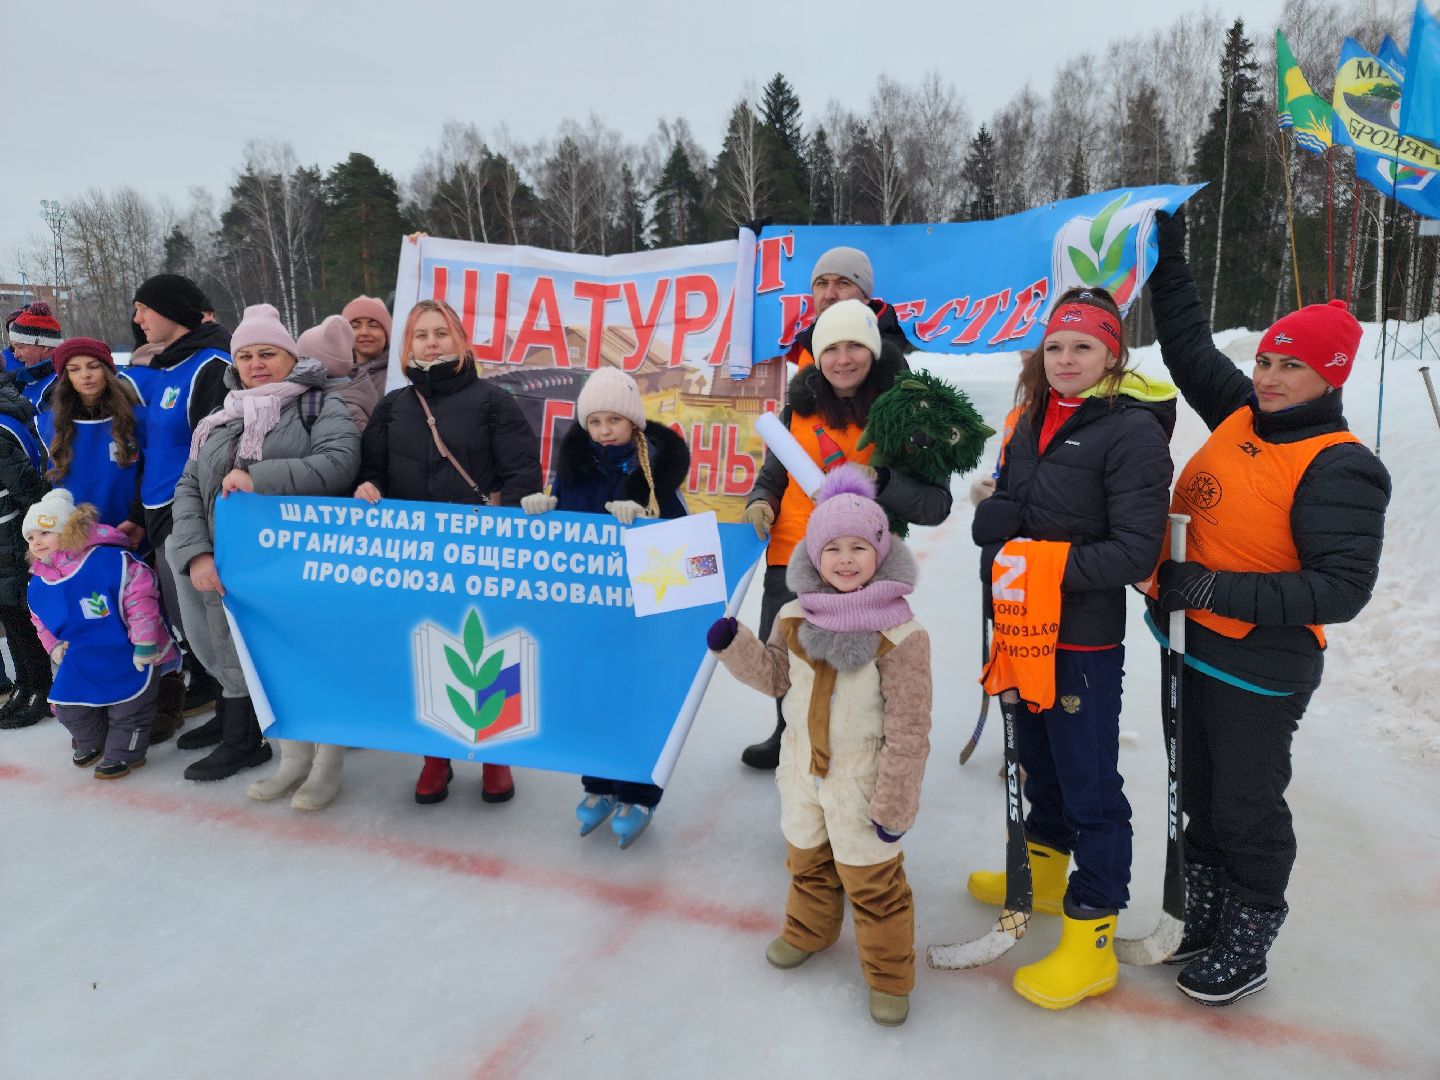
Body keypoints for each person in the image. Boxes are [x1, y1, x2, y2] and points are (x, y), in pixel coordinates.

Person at [1144, 210, 1391, 1006]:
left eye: (1292, 366)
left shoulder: (1341, 466)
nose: (1271, 376)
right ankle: (1207, 913)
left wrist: (1214, 589)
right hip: (1189, 642)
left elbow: (1341, 589)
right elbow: (1186, 348)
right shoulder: (1247, 412)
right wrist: (1169, 255)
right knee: (1197, 791)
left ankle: (1250, 931)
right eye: (1269, 359)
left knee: (1244, 802)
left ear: (1332, 378)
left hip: (1260, 666)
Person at [964, 286, 1175, 1010]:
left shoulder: (1132, 432)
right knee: (1038, 760)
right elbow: (1015, 510)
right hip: (1022, 627)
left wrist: (1042, 563)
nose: (1065, 358)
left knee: (1089, 780)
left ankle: (1091, 940)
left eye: (1082, 346)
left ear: (1112, 355)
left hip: (1081, 634)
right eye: (1055, 346)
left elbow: (1133, 551)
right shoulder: (1031, 419)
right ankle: (1046, 877)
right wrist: (994, 516)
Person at [708, 465, 932, 1027]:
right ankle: (809, 930)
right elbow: (775, 679)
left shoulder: (901, 634)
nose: (846, 559)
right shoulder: (792, 615)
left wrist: (896, 801)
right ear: (814, 555)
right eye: (832, 548)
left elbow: (910, 728)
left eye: (859, 546)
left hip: (863, 782)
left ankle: (889, 976)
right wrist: (735, 646)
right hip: (801, 772)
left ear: (880, 552)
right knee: (807, 863)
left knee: (873, 882)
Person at [739, 299, 952, 770]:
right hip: (792, 554)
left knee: (854, 673)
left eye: (855, 344)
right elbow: (772, 474)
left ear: (874, 350)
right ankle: (788, 734)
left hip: (858, 562)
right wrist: (760, 501)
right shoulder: (797, 408)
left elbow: (937, 504)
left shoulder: (902, 413)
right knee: (786, 656)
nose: (843, 358)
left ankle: (857, 758)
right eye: (831, 348)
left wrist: (883, 482)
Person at [356, 298, 542, 805]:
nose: (431, 342)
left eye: (441, 333)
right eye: (421, 335)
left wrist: (508, 526)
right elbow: (371, 468)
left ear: (460, 341)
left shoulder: (492, 401)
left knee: (488, 647)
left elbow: (523, 472)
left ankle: (494, 757)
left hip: (481, 553)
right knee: (424, 648)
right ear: (408, 346)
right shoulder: (393, 406)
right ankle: (433, 756)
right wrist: (368, 485)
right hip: (413, 556)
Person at [169, 303, 361, 782]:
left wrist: (259, 476)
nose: (256, 364)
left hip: (297, 562)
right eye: (247, 355)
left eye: (268, 353)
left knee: (303, 655)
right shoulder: (221, 416)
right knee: (233, 649)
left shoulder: (318, 403)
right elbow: (189, 485)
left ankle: (326, 762)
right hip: (231, 559)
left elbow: (339, 463)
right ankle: (248, 743)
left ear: (290, 357)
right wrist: (196, 552)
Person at [519, 366, 690, 847]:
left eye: (614, 419)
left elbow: (684, 537)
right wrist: (545, 510)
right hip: (591, 612)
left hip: (640, 617)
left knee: (634, 701)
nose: (604, 430)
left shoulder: (655, 468)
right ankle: (597, 783)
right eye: (595, 421)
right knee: (591, 696)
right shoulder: (573, 467)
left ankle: (639, 792)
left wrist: (647, 518)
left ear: (633, 421)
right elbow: (562, 532)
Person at [130, 273, 234, 734]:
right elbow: (153, 450)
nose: (137, 319)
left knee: (210, 618)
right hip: (157, 510)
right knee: (185, 617)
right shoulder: (168, 367)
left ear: (171, 309)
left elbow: (216, 451)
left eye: (143, 309)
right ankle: (214, 689)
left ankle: (235, 710)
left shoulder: (211, 364)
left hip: (188, 512)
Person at [24, 490, 180, 779]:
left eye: (45, 532)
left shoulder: (112, 561)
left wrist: (146, 642)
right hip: (82, 656)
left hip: (131, 651)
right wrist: (54, 646)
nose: (36, 542)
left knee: (128, 710)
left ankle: (124, 753)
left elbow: (140, 600)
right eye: (31, 537)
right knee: (67, 704)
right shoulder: (39, 581)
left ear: (67, 530)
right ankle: (93, 741)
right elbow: (40, 620)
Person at [0, 378, 50, 727]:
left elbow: (27, 486)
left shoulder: (2, 431)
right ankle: (23, 684)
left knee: (21, 616)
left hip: (13, 538)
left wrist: (36, 534)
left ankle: (41, 688)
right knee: (9, 615)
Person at [786, 247, 912, 368]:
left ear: (865, 297)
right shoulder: (807, 343)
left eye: (843, 283)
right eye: (822, 283)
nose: (829, 295)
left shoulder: (885, 360)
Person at [340, 295, 393, 428]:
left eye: (373, 326)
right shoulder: (336, 377)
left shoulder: (399, 374)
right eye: (355, 326)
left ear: (387, 334)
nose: (364, 332)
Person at [6, 302, 63, 407]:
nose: (16, 355)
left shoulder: (61, 385)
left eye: (21, 347)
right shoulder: (29, 375)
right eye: (14, 347)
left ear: (45, 347)